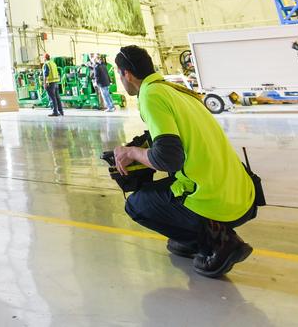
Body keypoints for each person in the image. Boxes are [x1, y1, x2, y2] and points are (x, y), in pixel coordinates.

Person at [111, 45, 259, 278]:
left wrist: (132, 154)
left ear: (126, 74)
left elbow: (168, 158)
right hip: (241, 193)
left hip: (215, 199)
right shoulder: (175, 90)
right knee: (156, 190)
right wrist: (142, 148)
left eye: (119, 75)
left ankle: (221, 242)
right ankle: (191, 239)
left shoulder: (150, 95)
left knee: (136, 205)